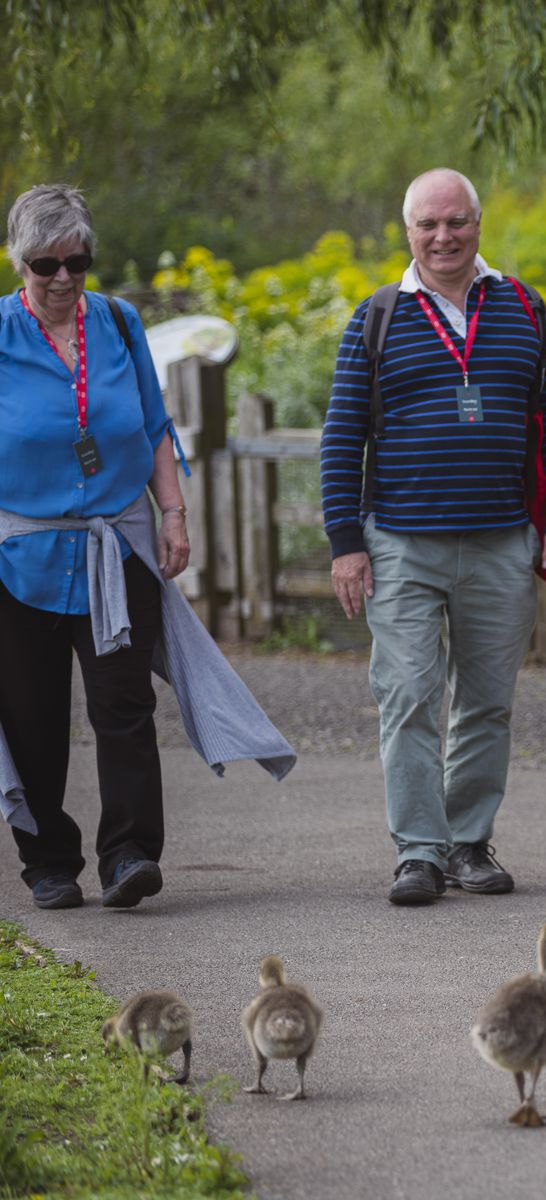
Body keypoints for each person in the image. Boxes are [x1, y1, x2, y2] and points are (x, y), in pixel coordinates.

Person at [0, 183, 295, 910]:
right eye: (47, 265)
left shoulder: (121, 324)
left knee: (124, 707)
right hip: (21, 556)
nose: (65, 278)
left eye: (79, 261)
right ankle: (48, 862)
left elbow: (156, 429)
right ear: (19, 265)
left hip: (115, 548)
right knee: (32, 716)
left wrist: (174, 514)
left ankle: (129, 853)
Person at [320, 168, 546, 906]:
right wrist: (346, 541)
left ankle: (468, 842)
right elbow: (342, 437)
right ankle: (419, 852)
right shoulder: (376, 318)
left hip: (503, 540)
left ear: (478, 224)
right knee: (407, 693)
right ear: (407, 231)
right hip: (401, 543)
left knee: (486, 701)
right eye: (428, 225)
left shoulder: (524, 308)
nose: (444, 237)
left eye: (457, 222)